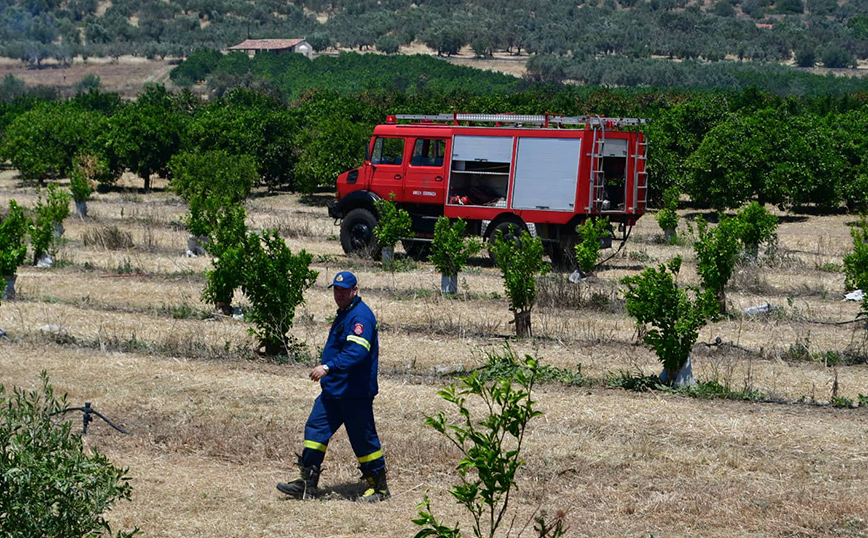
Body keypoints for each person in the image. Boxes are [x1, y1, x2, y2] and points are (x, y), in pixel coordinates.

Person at [277, 271, 390, 502]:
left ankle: (379, 488)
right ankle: (308, 485)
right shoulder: (345, 313)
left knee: (363, 440)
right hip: (333, 392)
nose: (339, 294)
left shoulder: (361, 317)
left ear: (355, 290)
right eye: (336, 290)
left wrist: (327, 367)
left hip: (354, 393)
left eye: (344, 290)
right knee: (315, 432)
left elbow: (357, 352)